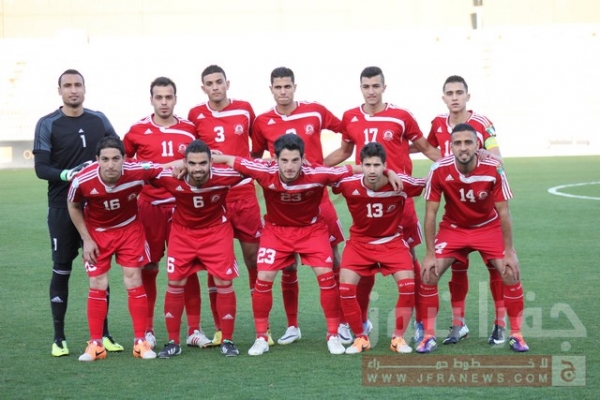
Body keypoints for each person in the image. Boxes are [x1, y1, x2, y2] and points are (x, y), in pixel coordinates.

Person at [324, 66, 441, 344]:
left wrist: (454, 165)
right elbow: (344, 152)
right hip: (366, 199)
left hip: (399, 200)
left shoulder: (401, 116)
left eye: (376, 86)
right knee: (363, 266)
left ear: (384, 87)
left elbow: (426, 148)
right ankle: (362, 321)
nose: (371, 91)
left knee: (411, 262)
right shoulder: (350, 116)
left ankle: (421, 323)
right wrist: (314, 167)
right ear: (360, 88)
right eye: (366, 86)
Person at [214, 134, 359, 356]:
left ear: (303, 159)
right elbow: (231, 160)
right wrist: (211, 157)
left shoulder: (317, 173)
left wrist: (388, 172)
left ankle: (333, 335)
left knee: (326, 275)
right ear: (275, 159)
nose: (289, 166)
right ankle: (261, 337)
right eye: (284, 160)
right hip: (276, 232)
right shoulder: (264, 171)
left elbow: (354, 169)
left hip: (311, 230)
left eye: (294, 160)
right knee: (263, 277)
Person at [251, 66, 352, 345]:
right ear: (271, 89)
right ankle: (292, 325)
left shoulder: (315, 111)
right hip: (285, 204)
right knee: (287, 266)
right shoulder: (262, 122)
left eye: (287, 86)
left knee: (334, 260)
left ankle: (343, 322)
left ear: (295, 87)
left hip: (318, 199)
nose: (283, 91)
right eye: (278, 87)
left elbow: (348, 133)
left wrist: (322, 167)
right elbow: (255, 158)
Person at [417, 123, 528, 353]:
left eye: (468, 142)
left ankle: (516, 334)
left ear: (478, 145)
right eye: (457, 143)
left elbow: (504, 212)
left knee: (509, 271)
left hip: (488, 227)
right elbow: (430, 214)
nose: (463, 147)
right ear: (451, 146)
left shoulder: (493, 168)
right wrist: (429, 254)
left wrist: (509, 251)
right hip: (453, 228)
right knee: (429, 273)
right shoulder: (438, 169)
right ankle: (428, 336)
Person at [33, 69, 122, 357]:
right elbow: (41, 168)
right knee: (62, 268)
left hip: (96, 208)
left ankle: (104, 335)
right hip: (62, 207)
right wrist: (68, 174)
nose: (73, 90)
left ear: (85, 88)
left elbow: (118, 150)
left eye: (78, 85)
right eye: (68, 85)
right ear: (59, 90)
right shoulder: (48, 123)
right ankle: (59, 338)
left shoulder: (99, 119)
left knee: (100, 271)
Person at [123, 77, 211, 350]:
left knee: (188, 268)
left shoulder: (189, 129)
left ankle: (194, 330)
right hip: (149, 207)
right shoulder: (136, 131)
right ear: (151, 99)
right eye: (159, 97)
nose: (164, 102)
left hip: (182, 208)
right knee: (149, 267)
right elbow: (123, 164)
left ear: (175, 99)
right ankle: (148, 330)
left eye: (168, 97)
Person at [425, 75, 506, 345]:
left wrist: (484, 155)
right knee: (456, 268)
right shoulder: (438, 123)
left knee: (497, 267)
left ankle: (500, 324)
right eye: (450, 93)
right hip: (455, 213)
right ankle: (458, 324)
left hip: (483, 213)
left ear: (467, 96)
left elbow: (498, 158)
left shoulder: (482, 123)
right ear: (443, 98)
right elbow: (426, 146)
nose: (455, 97)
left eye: (459, 92)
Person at [188, 65, 264, 346]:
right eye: (209, 83)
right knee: (215, 264)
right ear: (203, 88)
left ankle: (262, 327)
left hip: (244, 194)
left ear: (227, 83)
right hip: (215, 197)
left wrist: (242, 168)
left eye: (219, 82)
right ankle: (220, 328)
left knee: (254, 259)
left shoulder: (245, 109)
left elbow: (257, 148)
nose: (215, 87)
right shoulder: (195, 115)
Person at [67, 136, 159, 361]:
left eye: (116, 159)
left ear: (124, 158)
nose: (111, 164)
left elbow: (163, 168)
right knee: (97, 283)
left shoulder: (137, 171)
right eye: (105, 159)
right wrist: (86, 239)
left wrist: (184, 165)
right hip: (97, 233)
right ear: (97, 159)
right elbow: (73, 205)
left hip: (129, 230)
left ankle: (140, 342)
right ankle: (96, 345)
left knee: (134, 280)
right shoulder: (82, 180)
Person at [152, 140, 243, 358]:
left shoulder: (225, 176)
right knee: (175, 283)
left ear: (211, 162)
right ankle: (173, 342)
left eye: (203, 163)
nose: (198, 168)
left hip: (216, 232)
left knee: (224, 282)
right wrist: (173, 164)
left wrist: (223, 158)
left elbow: (254, 167)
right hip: (182, 233)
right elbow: (144, 170)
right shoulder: (170, 177)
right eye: (192, 163)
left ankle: (227, 340)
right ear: (184, 163)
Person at [332, 142, 425, 355]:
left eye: (377, 165)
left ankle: (398, 338)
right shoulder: (348, 184)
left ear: (384, 165)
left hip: (392, 242)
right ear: (361, 165)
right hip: (359, 243)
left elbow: (430, 181)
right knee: (345, 289)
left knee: (408, 285)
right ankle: (361, 338)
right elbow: (326, 176)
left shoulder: (400, 183)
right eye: (367, 165)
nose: (372, 170)